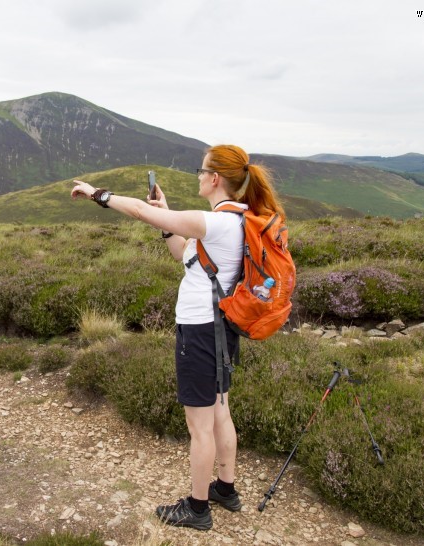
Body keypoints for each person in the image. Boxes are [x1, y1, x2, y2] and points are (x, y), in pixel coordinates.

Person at [70, 144, 285, 531]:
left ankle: (198, 508)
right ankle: (225, 488)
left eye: (202, 171)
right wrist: (167, 216)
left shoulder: (217, 222)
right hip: (217, 331)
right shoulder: (236, 220)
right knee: (220, 410)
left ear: (215, 178)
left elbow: (138, 210)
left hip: (201, 331)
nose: (199, 176)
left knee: (199, 426)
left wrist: (98, 194)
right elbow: (184, 254)